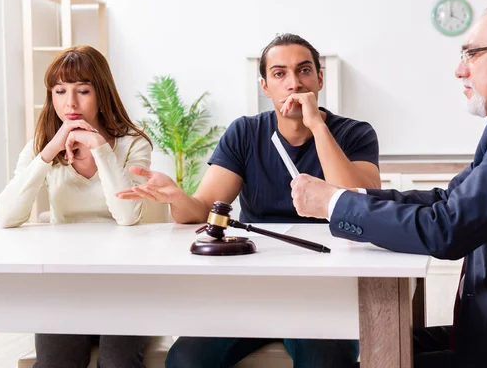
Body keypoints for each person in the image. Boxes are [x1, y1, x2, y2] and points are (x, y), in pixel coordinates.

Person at [291, 0, 487, 368]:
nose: (459, 70)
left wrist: (333, 205)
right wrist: (351, 196)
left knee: (378, 353)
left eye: (471, 54)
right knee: (381, 345)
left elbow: (446, 230)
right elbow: (447, 199)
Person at [116, 33, 381, 367]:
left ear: (320, 78)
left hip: (324, 287)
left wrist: (315, 124)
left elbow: (359, 205)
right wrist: (175, 197)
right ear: (265, 86)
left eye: (304, 71)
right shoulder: (245, 133)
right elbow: (202, 209)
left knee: (325, 362)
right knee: (185, 359)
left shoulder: (355, 134)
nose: (294, 83)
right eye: (280, 74)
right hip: (253, 284)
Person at [0, 45, 153, 367]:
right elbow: (4, 217)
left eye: (83, 90)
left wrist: (100, 150)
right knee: (56, 363)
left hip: (125, 283)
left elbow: (126, 216)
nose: (70, 103)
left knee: (116, 362)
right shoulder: (42, 147)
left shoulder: (132, 143)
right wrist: (48, 153)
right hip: (65, 281)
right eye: (59, 91)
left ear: (102, 93)